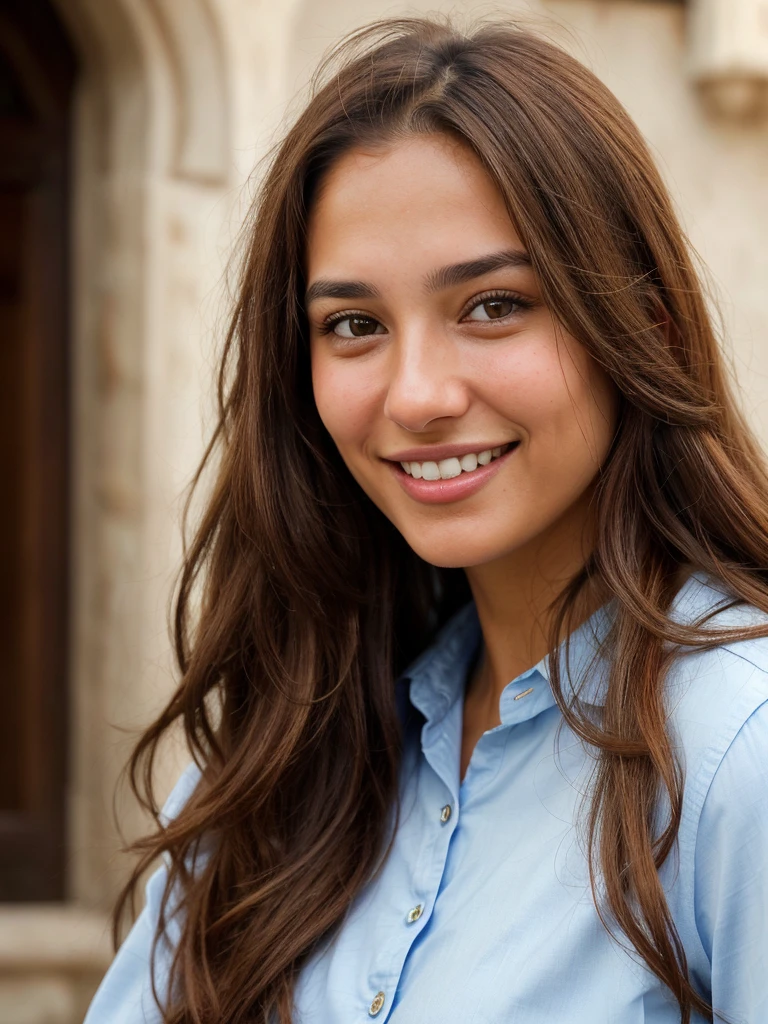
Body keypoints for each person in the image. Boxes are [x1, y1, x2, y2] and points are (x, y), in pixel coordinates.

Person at [84, 16, 768, 1024]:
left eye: (492, 304)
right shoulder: (282, 756)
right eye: (353, 325)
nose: (415, 395)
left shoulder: (735, 751)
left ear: (642, 324)